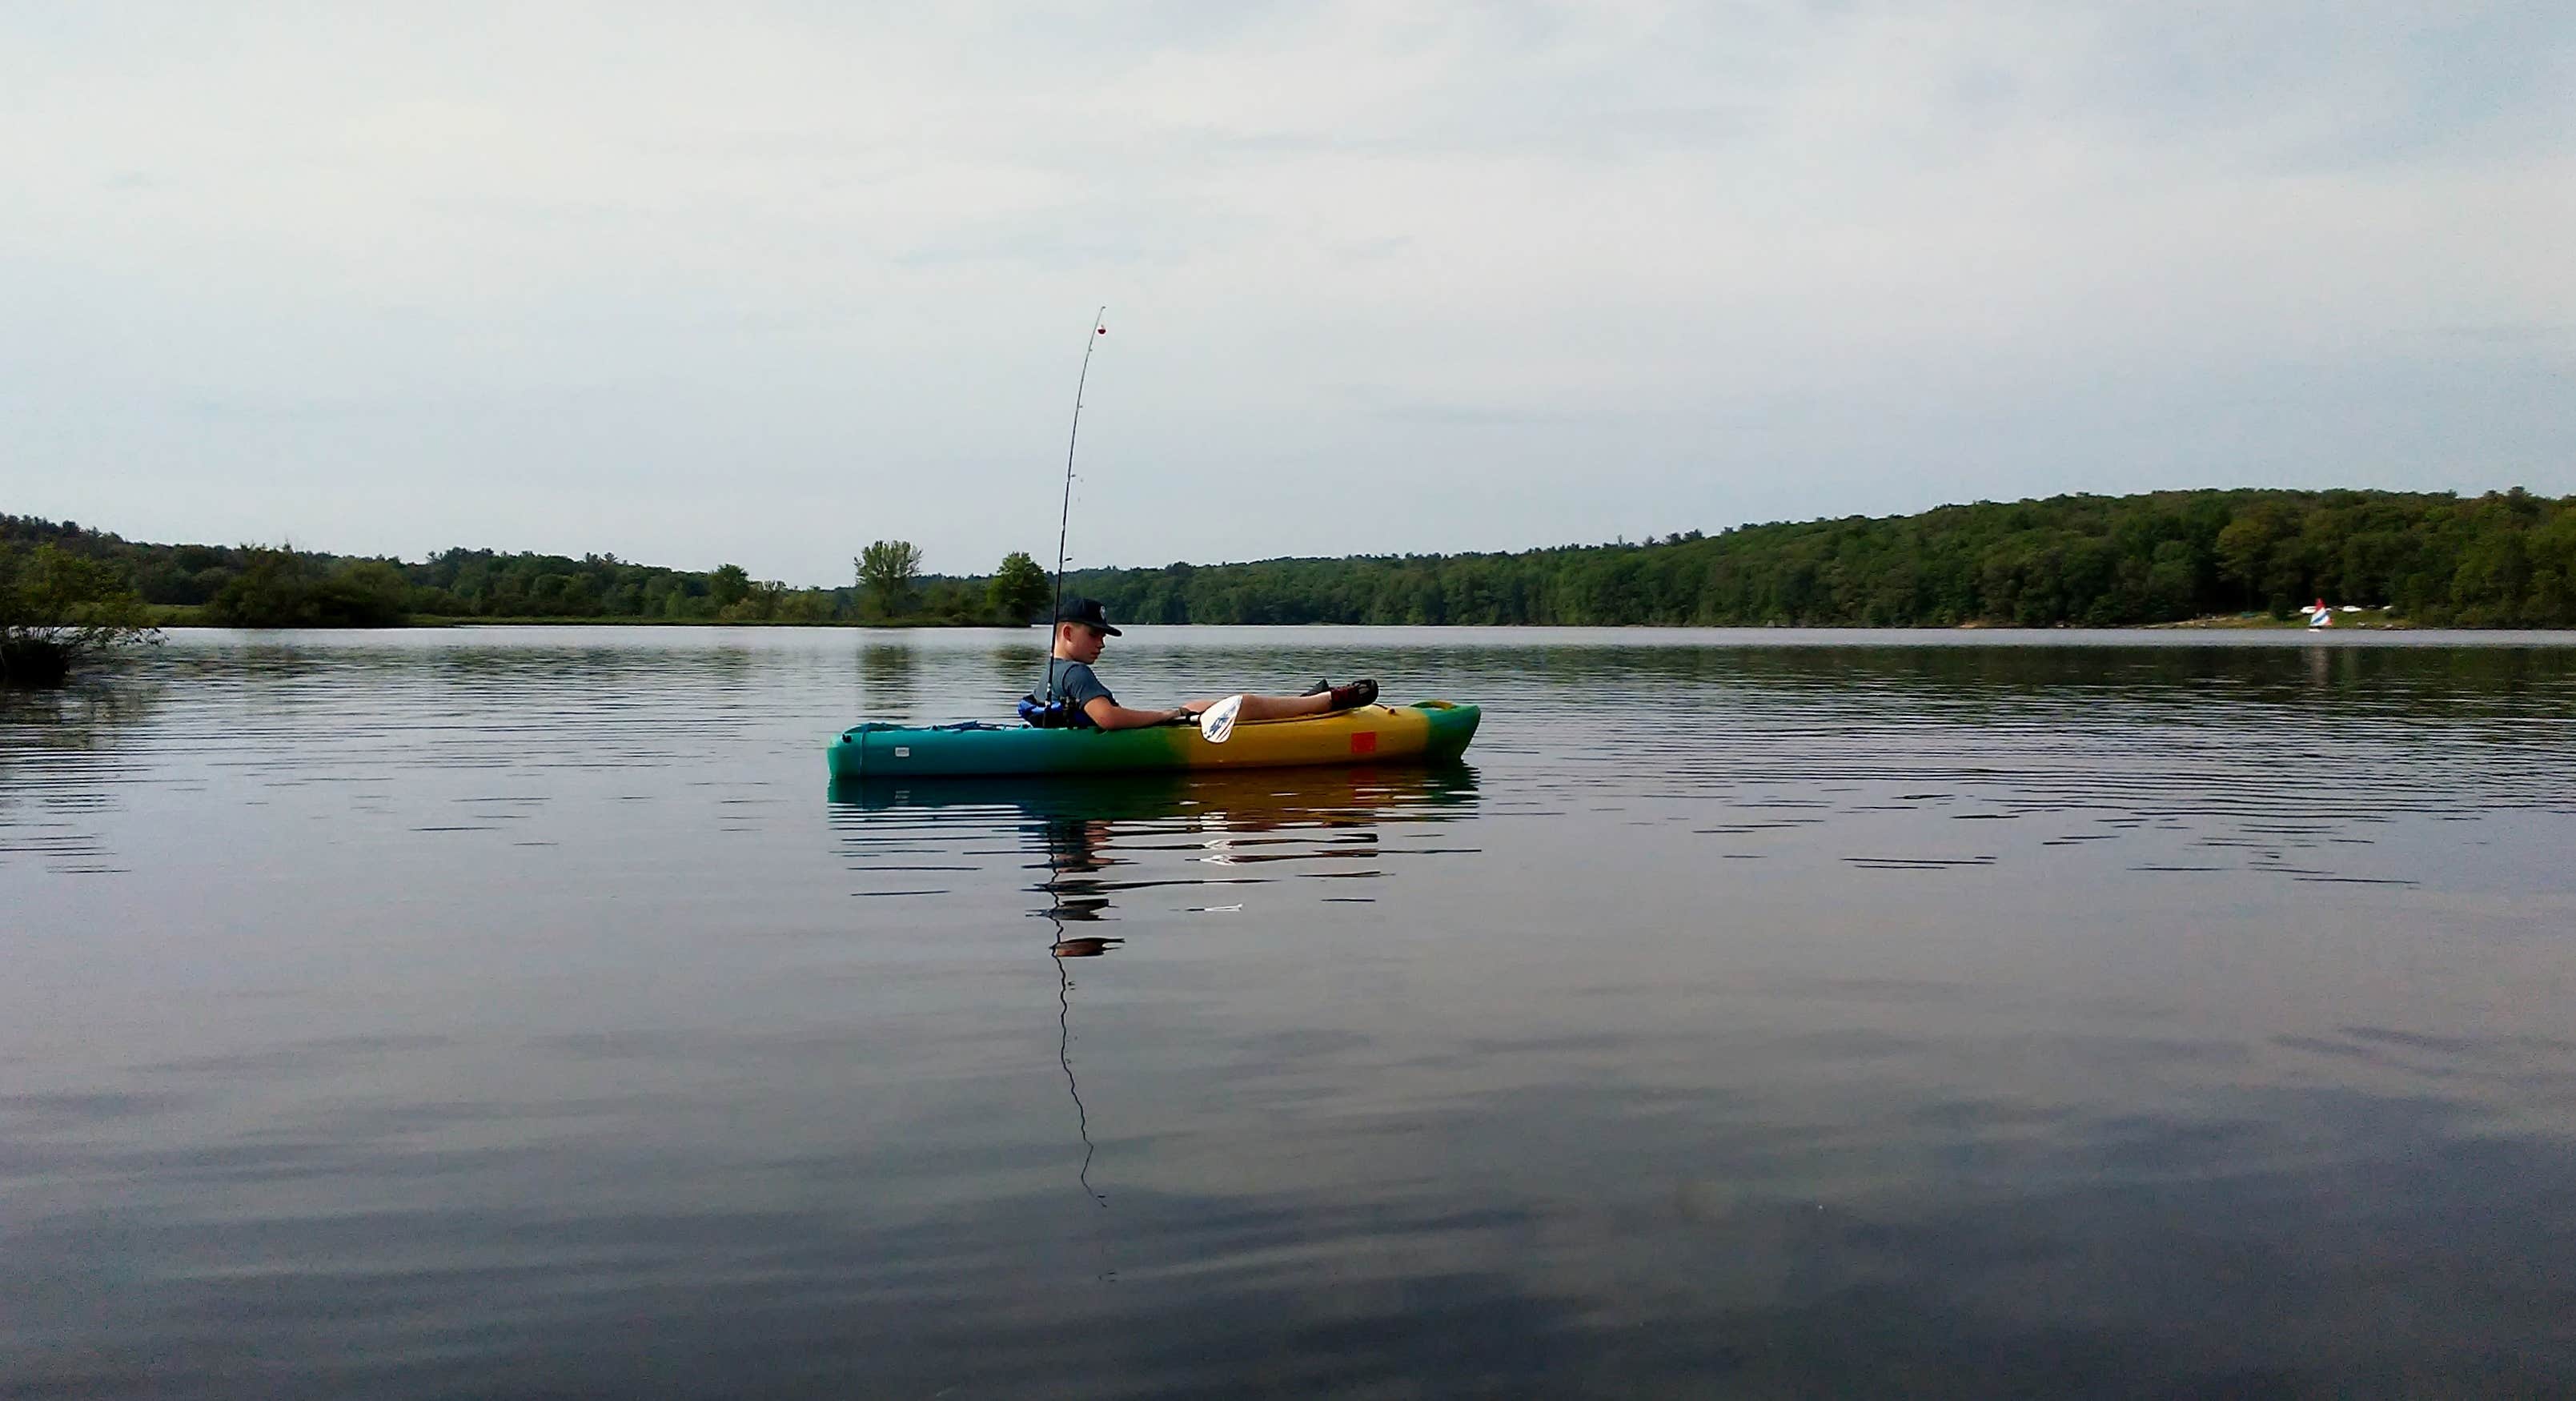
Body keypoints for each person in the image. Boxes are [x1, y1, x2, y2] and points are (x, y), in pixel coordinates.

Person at [1032, 597, 1377, 731]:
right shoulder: (1076, 673)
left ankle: (1300, 703)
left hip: (1087, 733)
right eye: (1095, 635)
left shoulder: (1051, 672)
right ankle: (1327, 701)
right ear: (1067, 632)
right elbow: (1107, 718)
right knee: (1243, 703)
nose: (1102, 642)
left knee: (1195, 706)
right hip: (1131, 736)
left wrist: (1174, 711)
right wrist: (1165, 716)